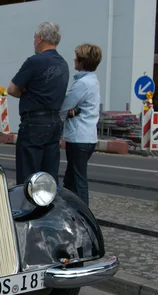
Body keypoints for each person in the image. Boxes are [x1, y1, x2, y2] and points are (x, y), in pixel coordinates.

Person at [7, 22, 70, 185]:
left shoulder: (35, 61)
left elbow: (12, 89)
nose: (34, 42)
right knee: (49, 175)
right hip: (55, 122)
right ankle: (47, 206)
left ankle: (28, 208)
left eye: (34, 38)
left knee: (27, 174)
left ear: (40, 38)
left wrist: (27, 91)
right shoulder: (64, 64)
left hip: (34, 123)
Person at [59, 43, 103, 207]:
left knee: (77, 180)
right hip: (88, 137)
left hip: (78, 138)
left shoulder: (82, 84)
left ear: (82, 61)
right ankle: (68, 208)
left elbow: (64, 106)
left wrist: (67, 112)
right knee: (71, 178)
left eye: (76, 56)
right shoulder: (92, 81)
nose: (74, 59)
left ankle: (83, 214)